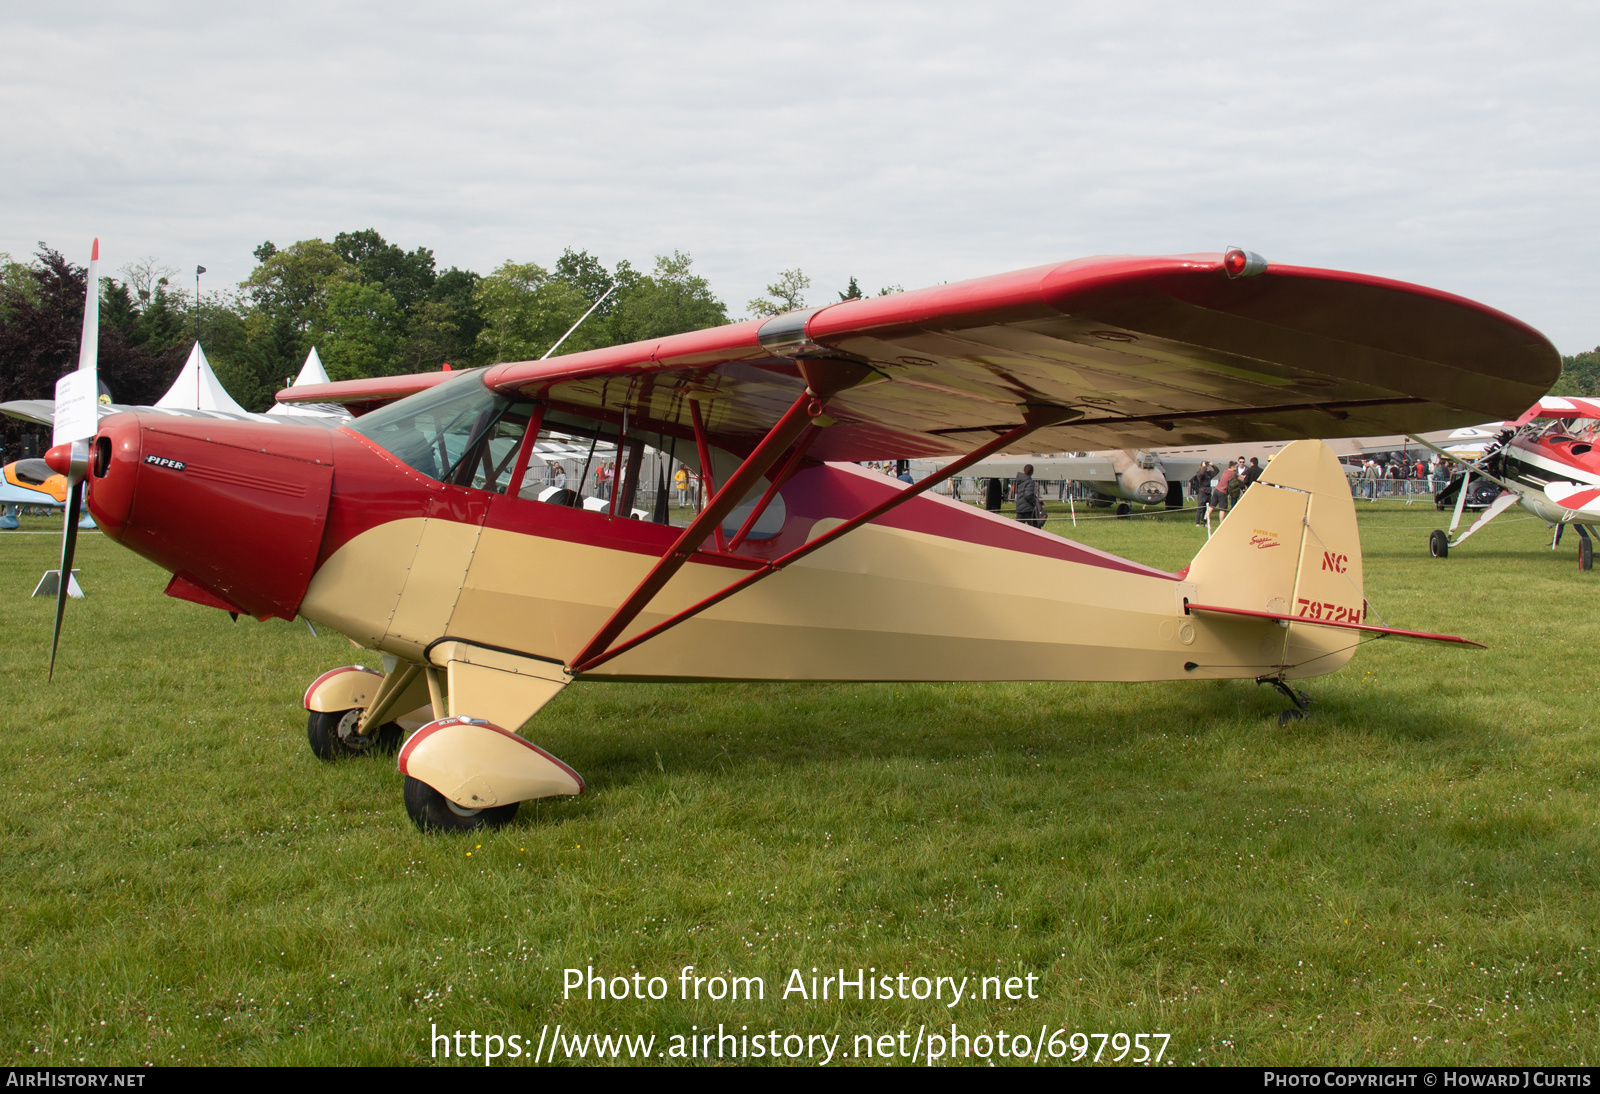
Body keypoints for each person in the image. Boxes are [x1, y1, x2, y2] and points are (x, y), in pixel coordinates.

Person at [1013, 464, 1045, 528]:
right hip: (1028, 509)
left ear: (1023, 471)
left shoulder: (1020, 480)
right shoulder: (1030, 482)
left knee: (1017, 529)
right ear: (1032, 472)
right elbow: (1028, 495)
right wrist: (1037, 501)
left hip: (1020, 508)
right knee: (1035, 529)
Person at [1191, 461, 1215, 525]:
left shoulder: (1208, 474)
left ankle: (1204, 521)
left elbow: (1217, 471)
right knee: (1200, 508)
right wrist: (1203, 467)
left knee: (1206, 508)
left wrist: (1212, 465)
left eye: (1207, 466)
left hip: (1208, 491)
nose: (1206, 467)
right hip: (1202, 492)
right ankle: (1197, 523)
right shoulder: (1199, 473)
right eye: (1205, 465)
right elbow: (1201, 474)